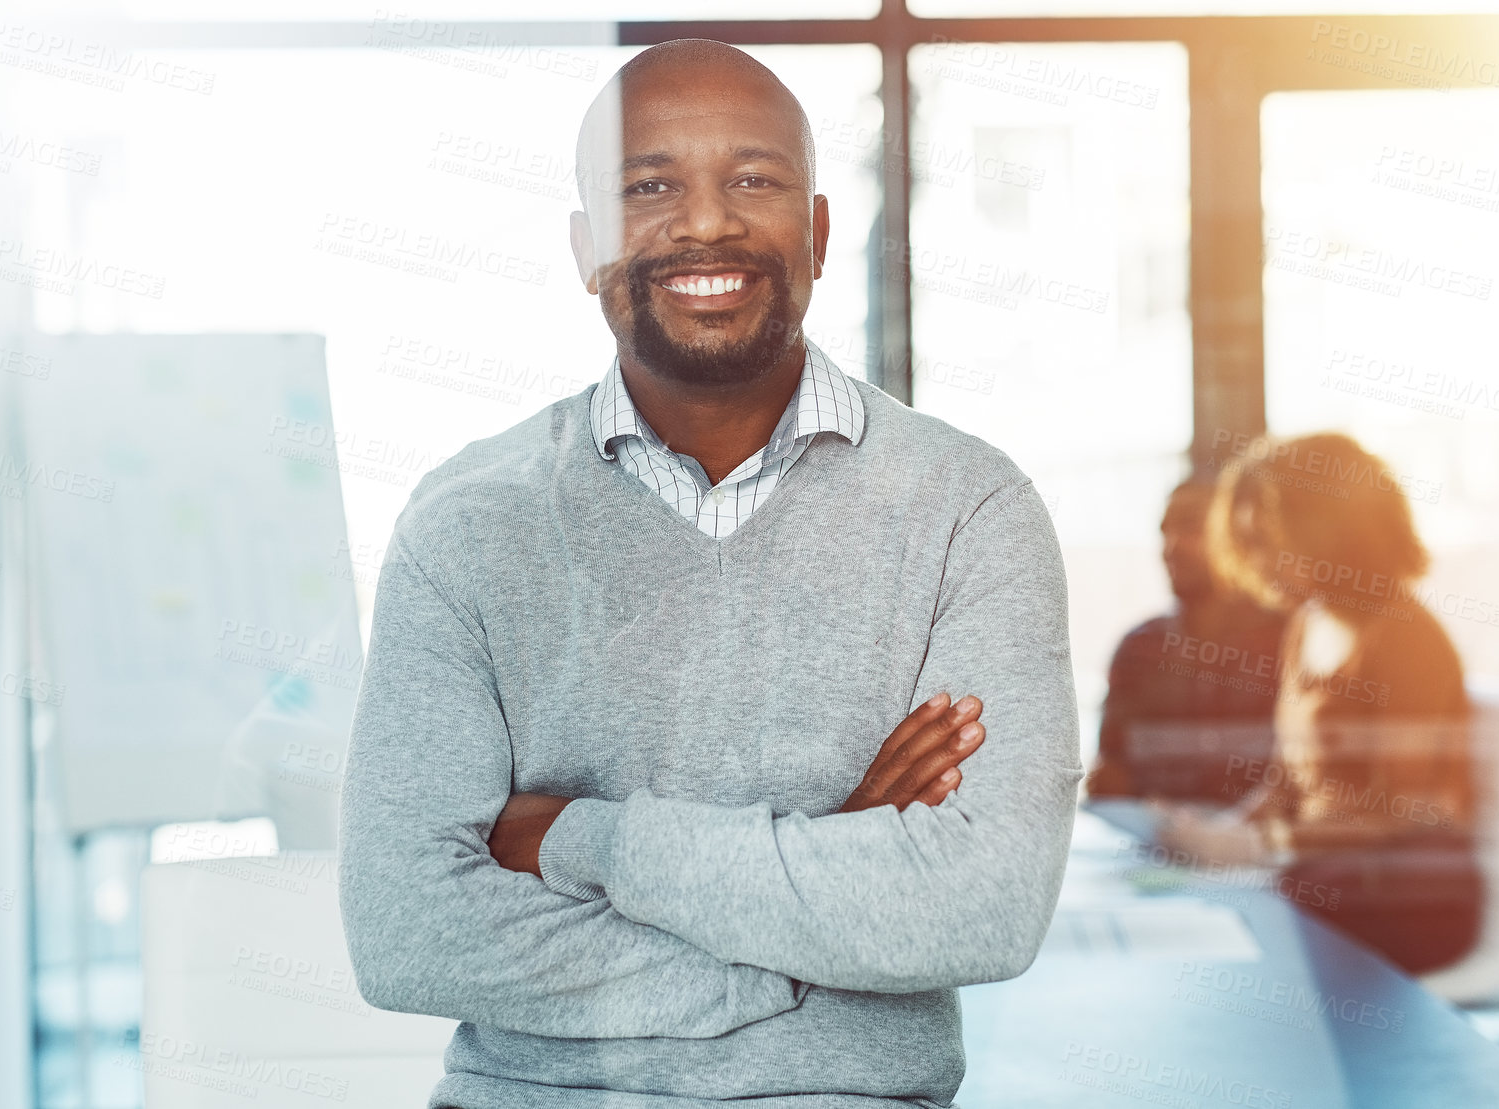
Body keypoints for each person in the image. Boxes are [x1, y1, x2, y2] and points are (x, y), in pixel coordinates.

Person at [336, 39, 1082, 1109]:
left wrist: (584, 836)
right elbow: (411, 930)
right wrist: (816, 901)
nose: (705, 222)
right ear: (588, 245)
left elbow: (983, 907)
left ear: (819, 232)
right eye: (650, 186)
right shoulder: (466, 522)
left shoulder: (971, 508)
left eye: (753, 179)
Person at [1157, 432, 1482, 975]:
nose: (1254, 564)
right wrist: (1220, 832)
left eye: (1264, 542)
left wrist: (1261, 844)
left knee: (1249, 931)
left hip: (1406, 895)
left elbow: (1401, 812)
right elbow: (1287, 781)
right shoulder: (1307, 624)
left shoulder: (1408, 640)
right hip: (1322, 875)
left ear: (1329, 534)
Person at [1086, 476, 1285, 802]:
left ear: (1239, 536)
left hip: (1262, 845)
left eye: (1191, 528)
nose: (1171, 547)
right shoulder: (1140, 650)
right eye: (1165, 532)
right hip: (1157, 845)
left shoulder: (1287, 643)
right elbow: (1109, 774)